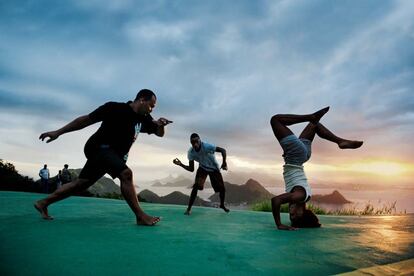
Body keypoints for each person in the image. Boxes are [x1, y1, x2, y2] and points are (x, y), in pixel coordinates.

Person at [35, 89, 172, 226]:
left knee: (81, 184)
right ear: (142, 100)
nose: (152, 110)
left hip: (110, 157)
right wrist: (58, 132)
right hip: (97, 148)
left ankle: (43, 203)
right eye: (151, 106)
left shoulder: (144, 118)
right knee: (126, 174)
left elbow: (159, 133)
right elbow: (84, 121)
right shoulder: (114, 108)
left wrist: (161, 126)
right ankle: (141, 216)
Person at [270, 107, 363, 230]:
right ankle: (311, 117)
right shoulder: (300, 196)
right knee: (276, 120)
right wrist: (279, 224)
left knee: (314, 126)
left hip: (303, 156)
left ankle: (340, 141)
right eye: (295, 216)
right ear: (303, 212)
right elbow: (275, 200)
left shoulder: (305, 196)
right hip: (296, 156)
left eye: (290, 217)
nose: (291, 214)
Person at [173, 133, 230, 215]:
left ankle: (222, 205)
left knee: (222, 189)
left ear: (200, 140)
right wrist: (180, 164)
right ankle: (189, 209)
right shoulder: (191, 152)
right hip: (202, 168)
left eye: (196, 141)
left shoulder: (206, 146)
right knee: (196, 186)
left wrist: (224, 162)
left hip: (213, 168)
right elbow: (191, 169)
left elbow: (223, 150)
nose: (195, 144)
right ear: (191, 143)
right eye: (193, 142)